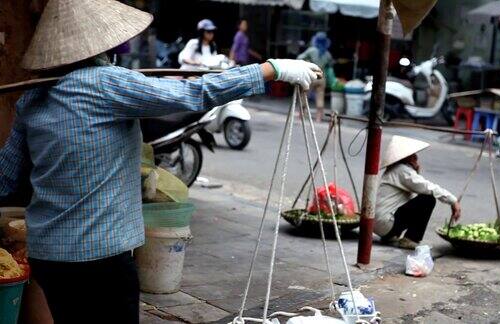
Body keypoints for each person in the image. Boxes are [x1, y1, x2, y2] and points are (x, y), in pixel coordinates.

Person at [0, 0, 322, 323]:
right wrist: (270, 70)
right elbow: (195, 94)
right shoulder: (107, 83)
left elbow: (6, 179)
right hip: (100, 261)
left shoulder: (32, 98)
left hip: (48, 258)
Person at [375, 136, 462, 250]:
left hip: (380, 225)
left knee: (418, 199)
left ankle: (392, 235)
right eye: (413, 155)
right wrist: (453, 200)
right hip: (386, 224)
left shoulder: (395, 170)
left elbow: (417, 186)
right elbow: (427, 187)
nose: (416, 157)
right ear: (406, 157)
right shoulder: (402, 170)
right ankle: (411, 239)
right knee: (427, 199)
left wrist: (416, 171)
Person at [297, 32, 334, 122]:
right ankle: (318, 118)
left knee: (304, 95)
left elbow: (299, 58)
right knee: (320, 97)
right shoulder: (327, 53)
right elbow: (330, 64)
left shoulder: (312, 50)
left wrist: (307, 61)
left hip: (311, 77)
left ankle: (301, 115)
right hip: (322, 77)